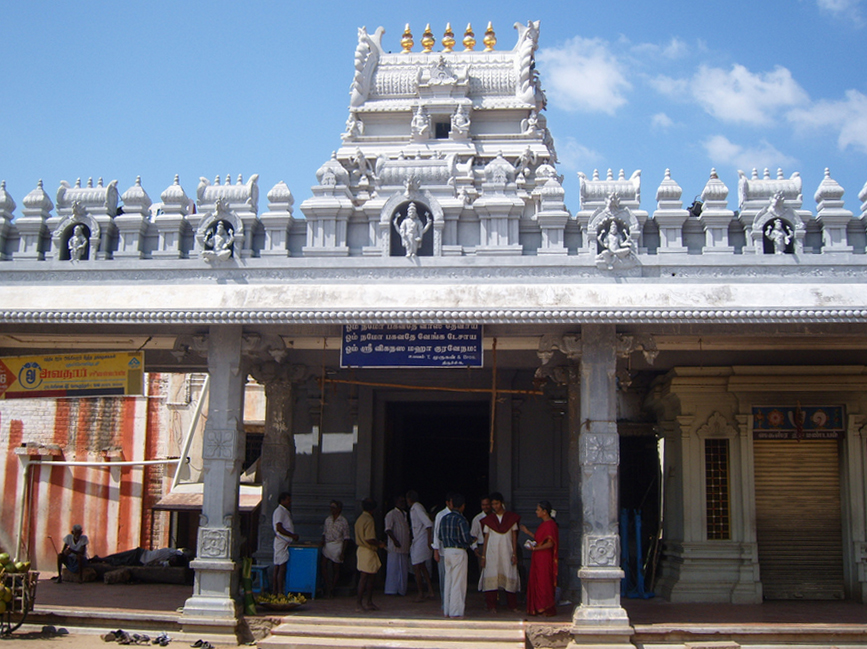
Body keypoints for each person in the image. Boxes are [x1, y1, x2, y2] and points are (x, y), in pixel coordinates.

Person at [479, 492, 521, 612]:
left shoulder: (511, 518)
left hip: (507, 552)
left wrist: (514, 554)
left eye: (496, 503)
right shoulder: (489, 520)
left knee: (509, 575)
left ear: (501, 503)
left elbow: (514, 536)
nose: (495, 506)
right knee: (491, 577)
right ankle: (491, 606)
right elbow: (486, 538)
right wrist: (483, 556)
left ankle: (512, 605)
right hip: (492, 553)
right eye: (493, 504)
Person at [438, 493, 474, 619]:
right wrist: (472, 540)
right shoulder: (461, 519)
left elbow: (440, 537)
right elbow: (466, 538)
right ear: (462, 506)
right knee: (458, 582)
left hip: (446, 551)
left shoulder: (444, 518)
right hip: (458, 552)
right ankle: (456, 611)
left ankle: (447, 610)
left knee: (448, 581)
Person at [520, 500, 559, 617]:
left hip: (545, 558)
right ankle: (537, 607)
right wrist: (528, 532)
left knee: (543, 582)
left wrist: (535, 549)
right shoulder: (543, 524)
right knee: (537, 581)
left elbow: (550, 544)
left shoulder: (550, 525)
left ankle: (544, 607)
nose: (536, 512)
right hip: (538, 557)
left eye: (538, 509)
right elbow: (539, 539)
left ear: (544, 512)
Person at [355, 497, 386, 612]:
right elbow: (369, 539)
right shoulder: (369, 520)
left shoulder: (360, 519)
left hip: (361, 550)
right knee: (365, 578)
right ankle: (361, 603)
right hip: (368, 551)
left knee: (368, 578)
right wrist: (379, 544)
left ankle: (367, 602)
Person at [406, 490, 435, 601]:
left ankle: (421, 593)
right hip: (418, 540)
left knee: (417, 567)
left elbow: (428, 523)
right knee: (422, 566)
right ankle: (430, 590)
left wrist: (428, 540)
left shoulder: (417, 508)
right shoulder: (415, 508)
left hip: (421, 540)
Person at [320, 499, 351, 598]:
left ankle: (332, 588)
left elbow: (346, 537)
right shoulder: (327, 520)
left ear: (339, 509)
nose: (331, 509)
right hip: (328, 545)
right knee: (323, 565)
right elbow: (324, 533)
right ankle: (328, 585)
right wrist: (322, 542)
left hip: (338, 544)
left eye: (334, 507)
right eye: (331, 507)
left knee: (336, 568)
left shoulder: (343, 521)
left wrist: (343, 552)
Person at [431, 493, 456, 604]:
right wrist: (436, 551)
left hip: (455, 551)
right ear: (447, 503)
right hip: (442, 551)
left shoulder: (457, 514)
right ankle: (445, 602)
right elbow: (436, 534)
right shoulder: (441, 515)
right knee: (444, 579)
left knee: (454, 578)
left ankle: (453, 602)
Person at [272, 492, 299, 595]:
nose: (290, 502)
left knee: (278, 566)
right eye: (288, 500)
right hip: (281, 541)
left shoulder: (284, 511)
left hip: (284, 541)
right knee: (281, 567)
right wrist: (292, 535)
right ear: (282, 501)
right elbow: (279, 528)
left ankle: (276, 590)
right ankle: (278, 591)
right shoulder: (279, 511)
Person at [384, 494, 410, 596]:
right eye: (400, 501)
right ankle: (391, 590)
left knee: (403, 569)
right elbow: (388, 529)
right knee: (393, 569)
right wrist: (395, 540)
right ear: (396, 502)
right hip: (395, 547)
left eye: (404, 501)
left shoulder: (405, 514)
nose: (403, 503)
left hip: (404, 547)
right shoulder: (391, 514)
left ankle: (401, 590)